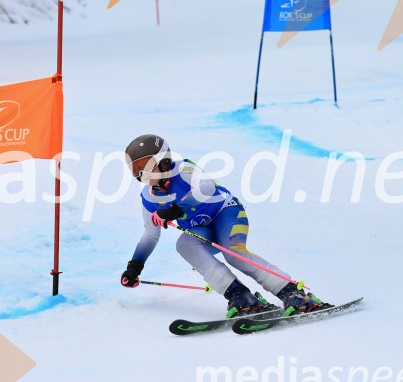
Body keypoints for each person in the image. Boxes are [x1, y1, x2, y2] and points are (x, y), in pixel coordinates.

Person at [121, 134, 331, 318]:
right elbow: (151, 235)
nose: (142, 174)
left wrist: (175, 210)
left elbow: (207, 187)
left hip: (227, 213)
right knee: (184, 245)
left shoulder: (183, 169)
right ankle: (240, 295)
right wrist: (134, 267)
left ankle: (292, 292)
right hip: (202, 228)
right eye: (136, 169)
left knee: (233, 253)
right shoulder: (149, 198)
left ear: (164, 161)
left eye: (146, 166)